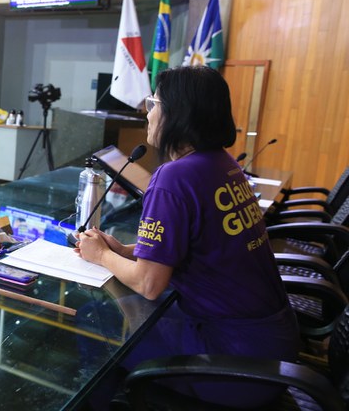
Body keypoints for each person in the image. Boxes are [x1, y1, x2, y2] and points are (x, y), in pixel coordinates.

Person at [74, 66, 299, 408]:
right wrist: (127, 251)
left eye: (154, 103)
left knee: (96, 316)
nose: (147, 113)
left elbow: (149, 283)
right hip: (273, 348)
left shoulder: (174, 177)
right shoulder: (222, 164)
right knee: (131, 313)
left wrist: (101, 255)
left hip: (234, 364)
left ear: (177, 114)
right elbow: (203, 244)